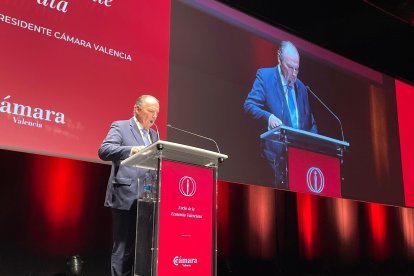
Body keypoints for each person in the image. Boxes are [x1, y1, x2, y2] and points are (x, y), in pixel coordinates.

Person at [98, 95, 160, 276]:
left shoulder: (154, 135)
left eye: (157, 112)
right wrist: (131, 150)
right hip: (125, 196)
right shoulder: (121, 127)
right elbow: (104, 150)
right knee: (123, 249)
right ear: (137, 109)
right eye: (151, 111)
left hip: (148, 199)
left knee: (143, 249)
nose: (154, 116)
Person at [244, 41, 317, 189]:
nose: (294, 73)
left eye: (297, 68)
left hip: (300, 165)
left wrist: (314, 150)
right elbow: (249, 105)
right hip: (274, 165)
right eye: (290, 67)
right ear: (279, 59)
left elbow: (310, 123)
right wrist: (268, 117)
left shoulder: (302, 88)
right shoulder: (265, 77)